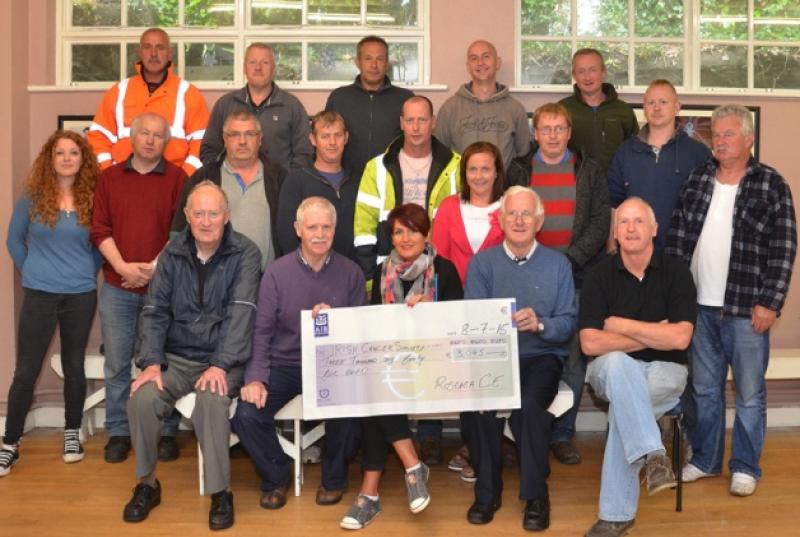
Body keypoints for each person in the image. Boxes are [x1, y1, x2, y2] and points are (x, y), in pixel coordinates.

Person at [667, 104, 797, 497]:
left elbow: (784, 247)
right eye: (716, 135)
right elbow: (675, 238)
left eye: (728, 134)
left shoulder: (771, 184)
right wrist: (674, 299)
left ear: (748, 139)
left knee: (750, 393)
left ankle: (744, 466)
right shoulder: (697, 178)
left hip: (746, 309)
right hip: (699, 308)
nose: (720, 141)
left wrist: (770, 302)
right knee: (704, 391)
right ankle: (706, 460)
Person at [123, 182, 261, 530]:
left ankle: (220, 492)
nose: (205, 221)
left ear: (226, 216)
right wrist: (151, 362)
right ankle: (147, 484)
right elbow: (154, 311)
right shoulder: (171, 254)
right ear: (186, 216)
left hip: (222, 357)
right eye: (197, 213)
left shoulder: (246, 253)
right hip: (177, 357)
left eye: (213, 213)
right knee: (142, 397)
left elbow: (242, 312)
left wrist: (219, 363)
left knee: (212, 399)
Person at [232, 197, 365, 510]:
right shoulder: (276, 273)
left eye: (326, 227)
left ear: (335, 229)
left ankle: (334, 478)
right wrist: (255, 378)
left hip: (332, 364)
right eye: (312, 227)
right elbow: (262, 332)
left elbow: (360, 336)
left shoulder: (352, 273)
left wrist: (337, 323)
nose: (320, 234)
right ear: (297, 230)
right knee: (247, 415)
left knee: (350, 413)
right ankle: (276, 475)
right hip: (285, 364)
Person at [340, 203, 463, 530]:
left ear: (426, 234)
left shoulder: (445, 270)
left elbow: (457, 328)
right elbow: (376, 325)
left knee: (376, 388)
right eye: (398, 231)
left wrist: (430, 309)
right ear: (390, 237)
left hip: (435, 365)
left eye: (413, 230)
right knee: (374, 381)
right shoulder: (382, 272)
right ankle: (411, 465)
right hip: (392, 365)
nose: (406, 238)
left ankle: (370, 494)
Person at [580, 197, 697, 537]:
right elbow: (590, 343)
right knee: (618, 364)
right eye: (624, 222)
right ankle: (653, 451)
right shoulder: (599, 275)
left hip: (666, 372)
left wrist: (618, 324)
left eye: (638, 221)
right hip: (608, 371)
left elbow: (680, 339)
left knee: (624, 411)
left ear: (654, 229)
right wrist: (652, 333)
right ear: (615, 232)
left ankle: (617, 517)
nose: (631, 229)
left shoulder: (676, 273)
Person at [461, 186, 576, 531]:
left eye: (527, 213)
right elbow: (473, 319)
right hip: (494, 355)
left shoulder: (559, 265)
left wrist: (540, 324)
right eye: (512, 213)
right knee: (477, 405)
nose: (519, 220)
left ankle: (536, 496)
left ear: (539, 220)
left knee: (529, 407)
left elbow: (568, 323)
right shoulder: (483, 264)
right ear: (500, 219)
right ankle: (487, 492)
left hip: (541, 357)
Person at [508, 102, 609, 466]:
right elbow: (509, 217)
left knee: (571, 356)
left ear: (569, 132)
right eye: (545, 129)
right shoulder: (519, 169)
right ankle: (523, 429)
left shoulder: (589, 170)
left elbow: (600, 221)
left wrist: (568, 261)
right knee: (528, 352)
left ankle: (562, 434)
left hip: (575, 273)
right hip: (524, 273)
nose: (552, 135)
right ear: (535, 134)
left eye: (558, 128)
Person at [1, 131, 101, 476]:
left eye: (74, 152)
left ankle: (72, 433)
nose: (67, 158)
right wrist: (30, 267)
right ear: (51, 157)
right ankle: (10, 444)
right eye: (60, 152)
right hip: (40, 291)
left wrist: (88, 271)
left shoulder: (93, 197)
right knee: (26, 370)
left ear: (82, 159)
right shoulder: (32, 196)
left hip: (80, 293)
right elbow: (14, 240)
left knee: (74, 365)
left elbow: (100, 244)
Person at [90, 112, 187, 464]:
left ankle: (168, 432)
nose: (150, 140)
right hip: (117, 287)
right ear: (132, 138)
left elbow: (181, 233)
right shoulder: (110, 179)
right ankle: (118, 431)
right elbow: (99, 229)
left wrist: (153, 270)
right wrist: (122, 268)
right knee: (117, 363)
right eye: (144, 133)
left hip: (165, 290)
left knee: (166, 362)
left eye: (158, 135)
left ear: (167, 141)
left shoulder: (178, 178)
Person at [353, 95, 461, 284]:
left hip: (437, 271)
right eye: (410, 120)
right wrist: (370, 278)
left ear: (433, 122)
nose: (416, 127)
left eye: (422, 120)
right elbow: (363, 230)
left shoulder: (455, 166)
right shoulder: (377, 167)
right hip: (389, 272)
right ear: (402, 123)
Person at [172, 109, 286, 270]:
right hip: (214, 280)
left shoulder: (279, 178)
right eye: (234, 134)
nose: (242, 141)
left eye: (250, 134)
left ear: (260, 139)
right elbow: (179, 231)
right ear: (224, 139)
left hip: (266, 280)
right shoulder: (204, 177)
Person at [88, 28, 209, 177]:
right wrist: (110, 175)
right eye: (147, 47)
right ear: (140, 52)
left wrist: (182, 179)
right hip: (123, 181)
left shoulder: (188, 93)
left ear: (170, 53)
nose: (153, 54)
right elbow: (98, 138)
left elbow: (202, 144)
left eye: (160, 47)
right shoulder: (118, 91)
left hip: (171, 185)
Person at [608, 80, 711, 251]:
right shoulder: (625, 152)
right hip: (633, 253)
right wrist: (612, 247)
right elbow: (614, 204)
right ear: (644, 108)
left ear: (677, 107)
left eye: (663, 102)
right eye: (651, 103)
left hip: (682, 254)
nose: (656, 108)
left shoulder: (698, 153)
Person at [200, 43, 313, 169]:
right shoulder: (225, 105)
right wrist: (227, 178)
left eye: (265, 63)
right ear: (244, 68)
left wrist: (288, 183)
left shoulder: (291, 106)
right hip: (231, 186)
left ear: (274, 69)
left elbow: (305, 153)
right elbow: (209, 151)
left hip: (281, 186)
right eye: (252, 62)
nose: (258, 67)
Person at [325, 35, 413, 180]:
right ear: (357, 62)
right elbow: (325, 141)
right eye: (368, 59)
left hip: (391, 180)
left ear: (386, 63)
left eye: (379, 59)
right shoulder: (339, 97)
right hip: (346, 180)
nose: (374, 65)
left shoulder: (405, 98)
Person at [435, 40, 530, 171]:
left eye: (486, 56)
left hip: (503, 189)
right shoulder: (450, 108)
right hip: (462, 189)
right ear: (468, 66)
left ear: (498, 62)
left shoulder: (515, 109)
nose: (480, 63)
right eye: (474, 58)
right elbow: (439, 154)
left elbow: (523, 154)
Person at [276, 111, 359, 260]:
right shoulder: (295, 182)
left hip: (352, 272)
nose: (332, 142)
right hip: (309, 273)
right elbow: (286, 235)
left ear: (346, 138)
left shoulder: (359, 181)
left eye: (338, 135)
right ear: (313, 139)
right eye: (325, 136)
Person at [432, 141, 506, 284]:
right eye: (472, 169)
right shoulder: (448, 207)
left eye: (485, 169)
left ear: (497, 172)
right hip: (456, 297)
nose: (478, 176)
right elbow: (439, 261)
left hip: (499, 296)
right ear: (464, 173)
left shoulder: (510, 207)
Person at [559, 48, 638, 174]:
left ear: (603, 72)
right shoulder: (562, 110)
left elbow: (635, 152)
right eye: (581, 71)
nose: (587, 77)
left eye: (593, 70)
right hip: (576, 186)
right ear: (574, 75)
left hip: (615, 186)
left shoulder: (623, 110)